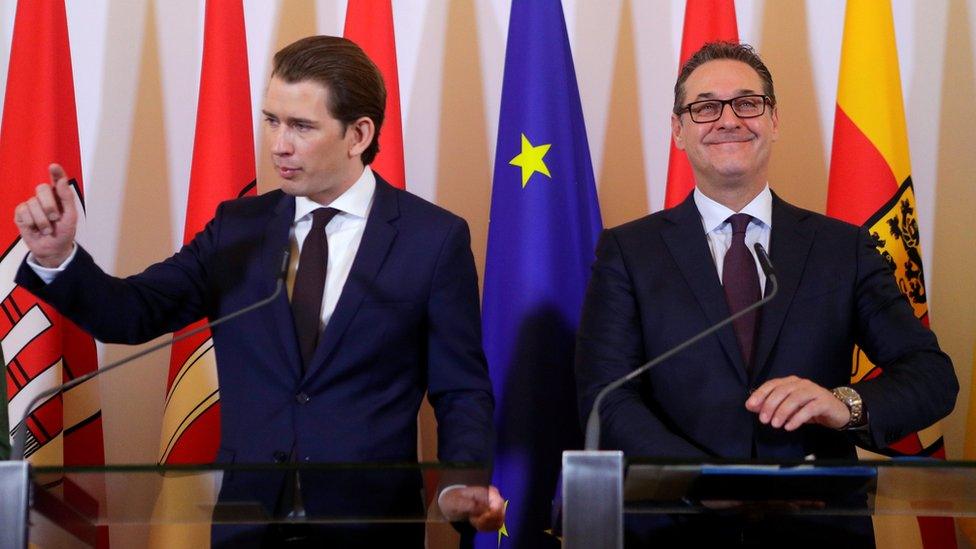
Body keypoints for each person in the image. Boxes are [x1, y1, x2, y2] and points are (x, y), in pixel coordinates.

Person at [13, 36, 503, 547]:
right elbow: (132, 314)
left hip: (369, 528)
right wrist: (57, 258)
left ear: (358, 134)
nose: (278, 145)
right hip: (247, 528)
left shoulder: (432, 238)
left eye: (301, 126)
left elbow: (461, 389)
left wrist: (459, 484)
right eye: (272, 120)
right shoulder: (238, 228)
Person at [575, 41, 957, 547]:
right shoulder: (629, 251)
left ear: (773, 120)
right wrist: (704, 479)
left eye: (747, 103)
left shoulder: (843, 247)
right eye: (706, 107)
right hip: (678, 527)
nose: (728, 119)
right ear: (678, 131)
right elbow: (607, 396)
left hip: (816, 529)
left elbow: (932, 377)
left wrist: (846, 404)